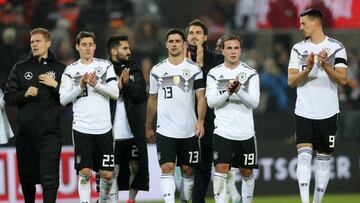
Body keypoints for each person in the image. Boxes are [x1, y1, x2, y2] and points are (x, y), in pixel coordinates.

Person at [287, 9, 348, 203]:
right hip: (304, 110)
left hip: (328, 112)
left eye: (303, 23)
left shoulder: (337, 48)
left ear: (316, 23)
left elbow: (343, 79)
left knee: (323, 160)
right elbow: (291, 80)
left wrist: (325, 65)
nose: (300, 27)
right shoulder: (297, 49)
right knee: (304, 158)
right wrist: (308, 68)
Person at [4, 28, 65, 203]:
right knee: (27, 178)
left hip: (50, 133)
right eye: (32, 41)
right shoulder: (21, 68)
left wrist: (55, 85)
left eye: (38, 41)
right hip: (26, 134)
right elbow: (8, 97)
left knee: (50, 177)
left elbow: (69, 98)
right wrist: (24, 94)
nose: (34, 44)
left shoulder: (59, 69)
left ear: (48, 43)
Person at [146, 28, 207, 203]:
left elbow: (201, 97)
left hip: (189, 128)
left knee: (188, 170)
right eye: (171, 41)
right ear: (166, 45)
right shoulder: (157, 70)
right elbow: (152, 99)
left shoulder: (194, 69)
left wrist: (201, 121)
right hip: (165, 129)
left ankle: (184, 201)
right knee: (167, 168)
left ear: (184, 44)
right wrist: (148, 125)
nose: (174, 45)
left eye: (177, 41)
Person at [59, 31, 119, 203]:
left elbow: (115, 93)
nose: (87, 48)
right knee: (85, 172)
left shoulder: (106, 66)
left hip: (104, 128)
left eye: (90, 44)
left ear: (95, 46)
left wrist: (96, 84)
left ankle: (101, 200)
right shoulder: (70, 70)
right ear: (77, 47)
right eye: (83, 44)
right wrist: (80, 87)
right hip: (82, 128)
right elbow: (63, 99)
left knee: (107, 174)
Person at [206, 34, 260, 203]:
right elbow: (211, 102)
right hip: (223, 131)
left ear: (240, 50)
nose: (233, 51)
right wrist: (228, 92)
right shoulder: (214, 74)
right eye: (229, 48)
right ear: (222, 51)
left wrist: (239, 91)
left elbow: (255, 102)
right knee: (221, 169)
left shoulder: (250, 73)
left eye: (236, 48)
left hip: (245, 132)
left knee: (246, 172)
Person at [106, 35, 150, 203]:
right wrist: (117, 86)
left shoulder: (135, 70)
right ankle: (114, 200)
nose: (129, 51)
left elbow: (140, 95)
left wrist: (127, 84)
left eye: (129, 48)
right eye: (125, 48)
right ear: (114, 51)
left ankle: (131, 200)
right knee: (113, 170)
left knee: (135, 167)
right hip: (111, 129)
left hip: (132, 129)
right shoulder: (102, 69)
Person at [185, 19, 224, 203]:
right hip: (183, 116)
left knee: (204, 164)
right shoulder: (178, 59)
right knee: (186, 166)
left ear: (205, 37)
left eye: (198, 33)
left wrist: (200, 65)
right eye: (191, 33)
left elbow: (213, 87)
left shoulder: (217, 59)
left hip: (209, 118)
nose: (194, 36)